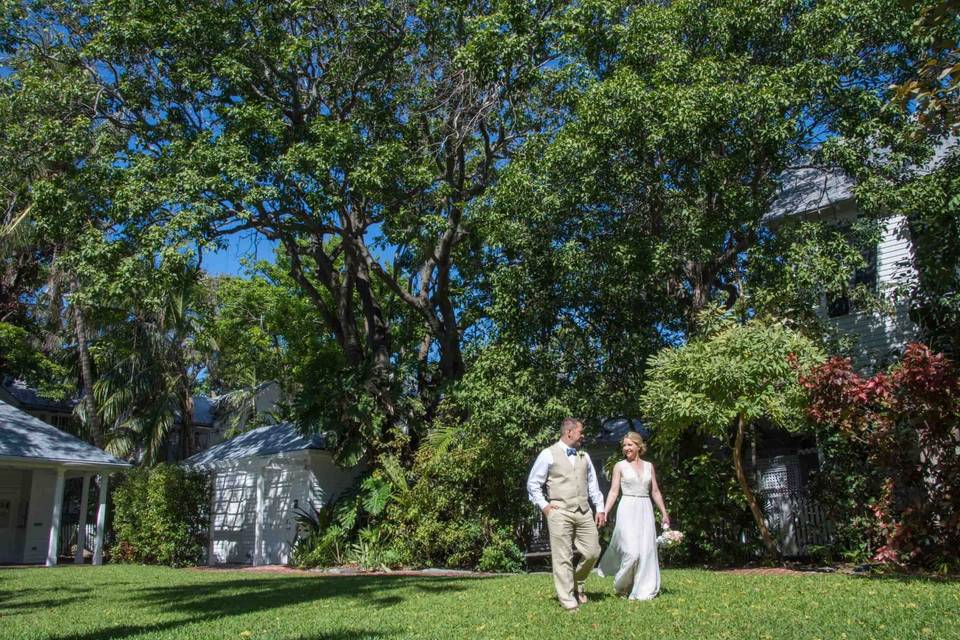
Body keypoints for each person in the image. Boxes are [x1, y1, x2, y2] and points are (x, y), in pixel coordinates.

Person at [526, 417, 606, 611]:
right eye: (581, 432)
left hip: (584, 510)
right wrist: (545, 506)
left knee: (593, 551)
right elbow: (533, 483)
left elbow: (593, 485)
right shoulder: (548, 454)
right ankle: (569, 601)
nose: (583, 436)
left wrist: (600, 508)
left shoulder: (584, 456)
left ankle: (577, 582)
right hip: (559, 511)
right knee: (563, 556)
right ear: (569, 432)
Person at [597, 431, 670, 600]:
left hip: (645, 508)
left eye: (629, 445)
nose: (626, 448)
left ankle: (643, 588)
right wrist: (605, 511)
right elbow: (614, 491)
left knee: (646, 551)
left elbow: (656, 491)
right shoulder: (619, 466)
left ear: (639, 446)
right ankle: (622, 586)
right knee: (631, 552)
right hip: (627, 508)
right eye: (624, 445)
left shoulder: (649, 466)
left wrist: (664, 512)